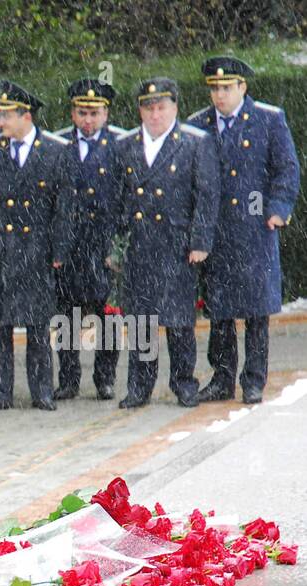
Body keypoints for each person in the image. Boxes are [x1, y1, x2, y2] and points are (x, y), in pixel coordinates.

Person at [188, 55, 301, 405]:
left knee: (255, 312)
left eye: (226, 88)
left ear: (242, 87)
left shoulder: (268, 119)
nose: (220, 95)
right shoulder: (199, 124)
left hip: (254, 231)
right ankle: (222, 378)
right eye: (215, 89)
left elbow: (286, 169)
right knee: (220, 312)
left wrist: (278, 210)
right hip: (217, 232)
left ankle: (253, 379)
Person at [114, 78, 219, 409]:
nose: (155, 114)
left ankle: (184, 383)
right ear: (140, 110)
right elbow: (118, 199)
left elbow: (206, 195)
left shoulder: (193, 142)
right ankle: (140, 386)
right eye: (148, 107)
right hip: (140, 243)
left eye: (161, 107)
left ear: (175, 107)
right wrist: (116, 246)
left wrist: (200, 240)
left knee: (179, 320)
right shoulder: (126, 144)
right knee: (142, 319)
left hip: (177, 242)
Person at [0, 80, 72, 412]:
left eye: (6, 115)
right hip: (1, 249)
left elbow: (64, 206)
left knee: (38, 325)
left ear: (25, 116)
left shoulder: (55, 151)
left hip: (37, 249)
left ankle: (42, 390)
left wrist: (60, 250)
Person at [52, 79, 128, 400]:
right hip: (69, 244)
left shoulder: (122, 145)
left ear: (106, 113)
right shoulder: (57, 145)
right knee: (67, 315)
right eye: (82, 112)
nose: (88, 120)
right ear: (72, 113)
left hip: (104, 244)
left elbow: (128, 199)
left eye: (95, 113)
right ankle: (68, 379)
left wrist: (119, 247)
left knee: (107, 315)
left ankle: (105, 378)